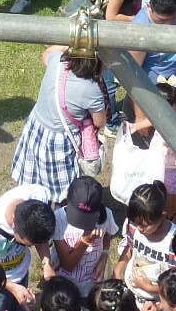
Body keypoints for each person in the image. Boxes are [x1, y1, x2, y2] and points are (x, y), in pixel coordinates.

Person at [11, 45, 109, 202]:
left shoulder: (57, 61)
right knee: (61, 190)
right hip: (60, 141)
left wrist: (68, 44)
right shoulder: (91, 89)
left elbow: (46, 54)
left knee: (34, 177)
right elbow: (100, 121)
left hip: (37, 128)